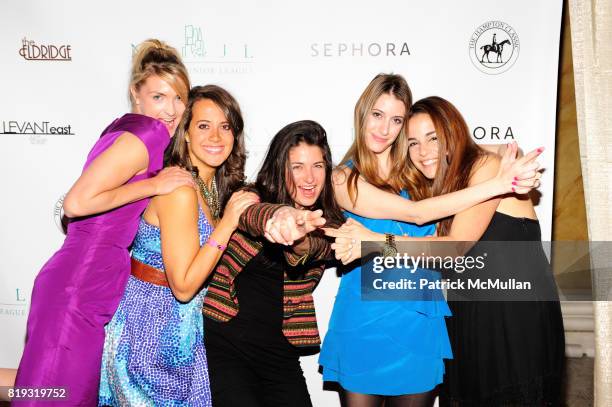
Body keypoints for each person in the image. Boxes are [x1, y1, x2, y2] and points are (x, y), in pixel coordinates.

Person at [312, 74, 541, 407]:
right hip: (365, 318)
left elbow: (465, 154)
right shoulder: (342, 177)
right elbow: (417, 214)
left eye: (396, 120)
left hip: (420, 320)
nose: (384, 128)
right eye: (377, 114)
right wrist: (499, 183)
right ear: (362, 112)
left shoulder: (420, 170)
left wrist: (506, 162)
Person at [13, 39, 194, 406]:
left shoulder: (124, 129)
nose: (171, 110)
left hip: (81, 283)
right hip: (77, 286)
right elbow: (77, 203)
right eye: (159, 96)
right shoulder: (146, 135)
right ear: (136, 93)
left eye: (179, 98)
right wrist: (154, 184)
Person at [98, 85, 259, 406]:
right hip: (149, 335)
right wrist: (228, 223)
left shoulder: (209, 185)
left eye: (225, 126)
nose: (216, 136)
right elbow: (184, 286)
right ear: (184, 132)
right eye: (203, 126)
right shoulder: (180, 190)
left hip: (184, 332)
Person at [203, 120, 345, 407]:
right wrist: (280, 215)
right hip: (228, 342)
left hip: (279, 352)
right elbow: (252, 215)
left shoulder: (327, 224)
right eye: (297, 166)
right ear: (280, 168)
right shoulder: (250, 197)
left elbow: (314, 247)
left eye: (318, 166)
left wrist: (300, 236)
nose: (309, 178)